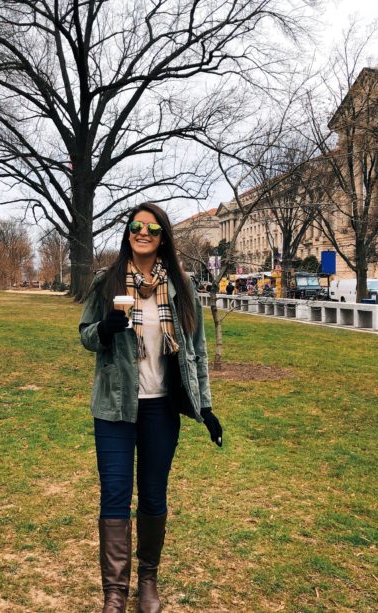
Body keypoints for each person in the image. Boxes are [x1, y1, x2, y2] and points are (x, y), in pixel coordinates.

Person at [79, 203, 223, 613]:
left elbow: (195, 349)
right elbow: (86, 335)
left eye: (152, 228)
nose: (143, 233)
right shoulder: (107, 282)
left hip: (161, 409)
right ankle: (114, 593)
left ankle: (147, 581)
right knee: (115, 495)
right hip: (114, 408)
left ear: (163, 236)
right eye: (136, 226)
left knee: (153, 495)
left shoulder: (180, 285)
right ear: (128, 232)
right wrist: (104, 330)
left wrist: (206, 408)